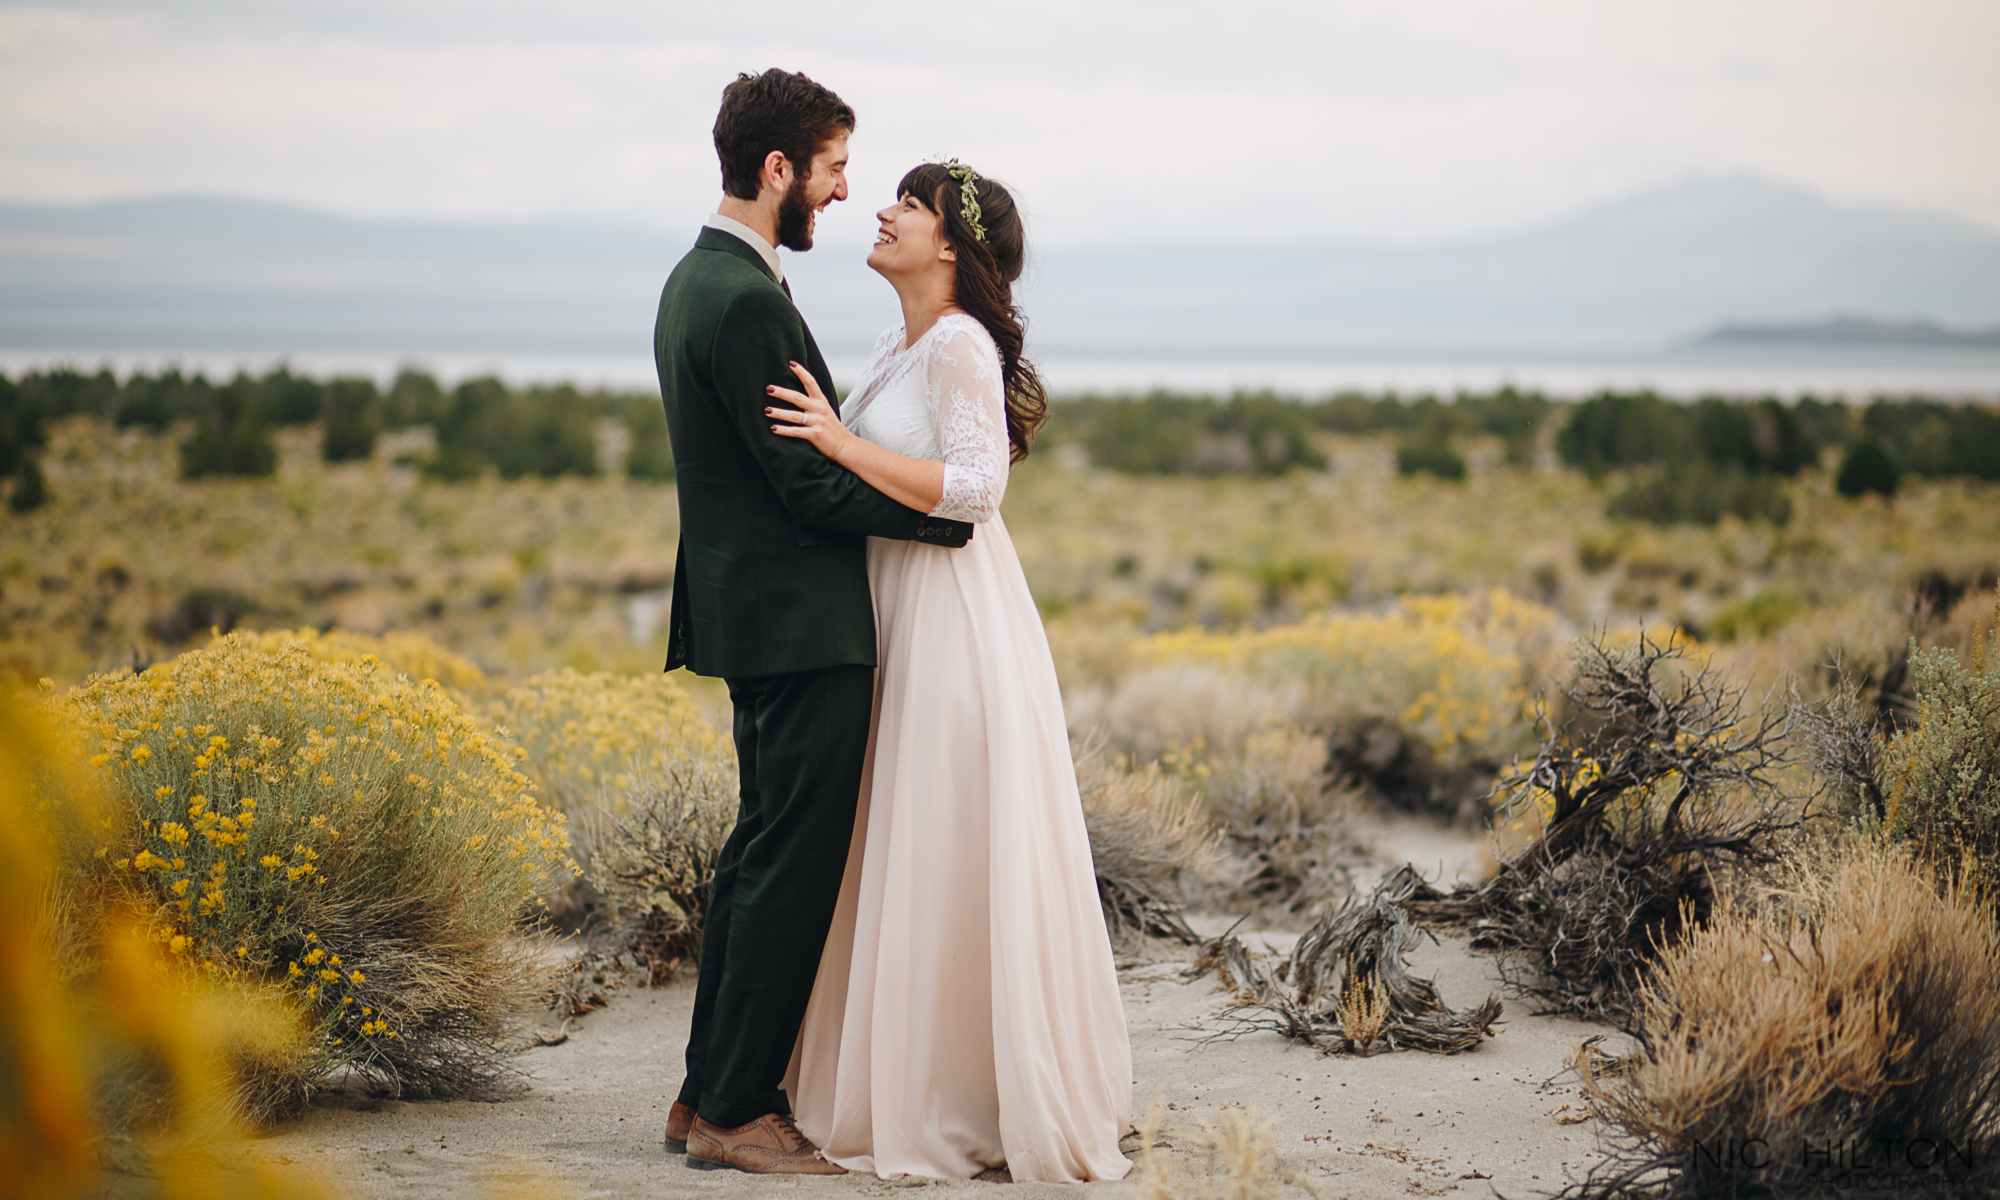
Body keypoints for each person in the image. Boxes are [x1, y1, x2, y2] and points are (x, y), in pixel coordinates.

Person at [764, 161, 1135, 1183]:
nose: (881, 212)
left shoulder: (961, 345)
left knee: (941, 837)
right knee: (901, 841)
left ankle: (957, 1100)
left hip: (948, 619)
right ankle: (898, 1078)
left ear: (950, 245)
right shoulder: (901, 340)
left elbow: (976, 490)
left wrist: (838, 443)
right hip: (894, 607)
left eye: (910, 205)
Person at [652, 70, 974, 1176]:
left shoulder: (693, 282)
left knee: (754, 857)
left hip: (758, 617)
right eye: (833, 167)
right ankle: (740, 1108)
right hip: (801, 626)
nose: (844, 192)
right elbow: (806, 487)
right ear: (779, 167)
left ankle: (704, 1097)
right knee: (787, 866)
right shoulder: (744, 300)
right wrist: (951, 521)